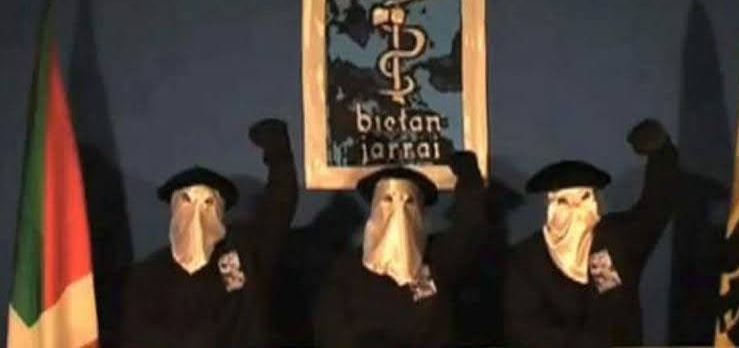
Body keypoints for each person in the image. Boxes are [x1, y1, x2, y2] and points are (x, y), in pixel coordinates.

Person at [119, 119, 297, 348]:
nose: (197, 214)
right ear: (174, 209)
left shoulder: (242, 257)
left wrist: (278, 150)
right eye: (187, 200)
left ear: (220, 210)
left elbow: (278, 209)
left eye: (208, 202)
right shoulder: (148, 278)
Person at [505, 119, 680, 347]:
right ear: (549, 206)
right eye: (564, 201)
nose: (576, 210)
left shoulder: (612, 243)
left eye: (584, 197)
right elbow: (527, 330)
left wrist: (661, 154)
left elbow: (654, 210)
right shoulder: (526, 261)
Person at [313, 151, 487, 348]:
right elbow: (330, 330)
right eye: (388, 200)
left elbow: (469, 231)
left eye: (409, 202)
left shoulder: (435, 263)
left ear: (420, 213)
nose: (398, 211)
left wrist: (469, 178)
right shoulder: (347, 272)